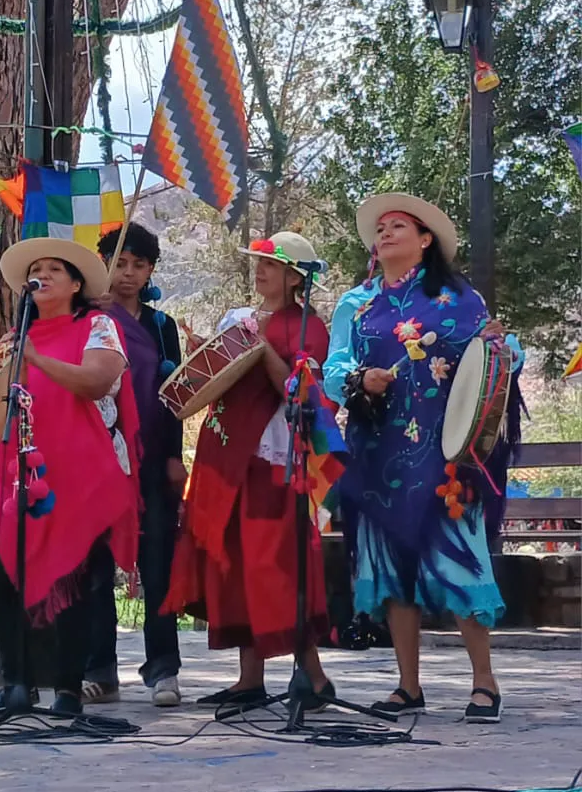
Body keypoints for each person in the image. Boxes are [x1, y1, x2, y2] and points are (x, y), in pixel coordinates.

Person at [324, 194, 520, 723]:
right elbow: (332, 369)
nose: (384, 233)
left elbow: (497, 356)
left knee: (460, 559)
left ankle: (485, 683)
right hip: (378, 449)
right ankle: (407, 686)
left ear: (425, 239)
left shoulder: (458, 299)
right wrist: (358, 379)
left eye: (398, 226)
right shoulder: (356, 304)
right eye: (380, 228)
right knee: (391, 569)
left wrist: (505, 349)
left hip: (445, 455)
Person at [163, 232, 333, 709]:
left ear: (295, 276)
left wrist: (263, 352)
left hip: (273, 458)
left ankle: (316, 677)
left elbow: (300, 394)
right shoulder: (237, 320)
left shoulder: (308, 328)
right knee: (232, 562)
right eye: (257, 263)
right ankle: (249, 680)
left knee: (274, 563)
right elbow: (214, 381)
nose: (259, 272)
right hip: (224, 452)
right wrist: (205, 354)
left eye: (270, 265)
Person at [0, 236, 141, 717]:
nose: (41, 276)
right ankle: (15, 683)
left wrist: (35, 359)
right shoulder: (15, 334)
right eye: (37, 270)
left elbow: (97, 380)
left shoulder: (98, 325)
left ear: (75, 284)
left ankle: (68, 691)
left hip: (80, 469)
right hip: (19, 466)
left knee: (73, 577)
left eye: (53, 269)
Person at [82, 224, 186, 707]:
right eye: (118, 262)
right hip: (99, 459)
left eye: (138, 265)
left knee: (158, 562)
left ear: (150, 272)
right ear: (102, 262)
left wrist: (171, 456)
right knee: (97, 566)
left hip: (150, 458)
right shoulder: (84, 319)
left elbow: (176, 396)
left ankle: (164, 669)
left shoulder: (162, 328)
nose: (127, 273)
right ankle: (99, 670)